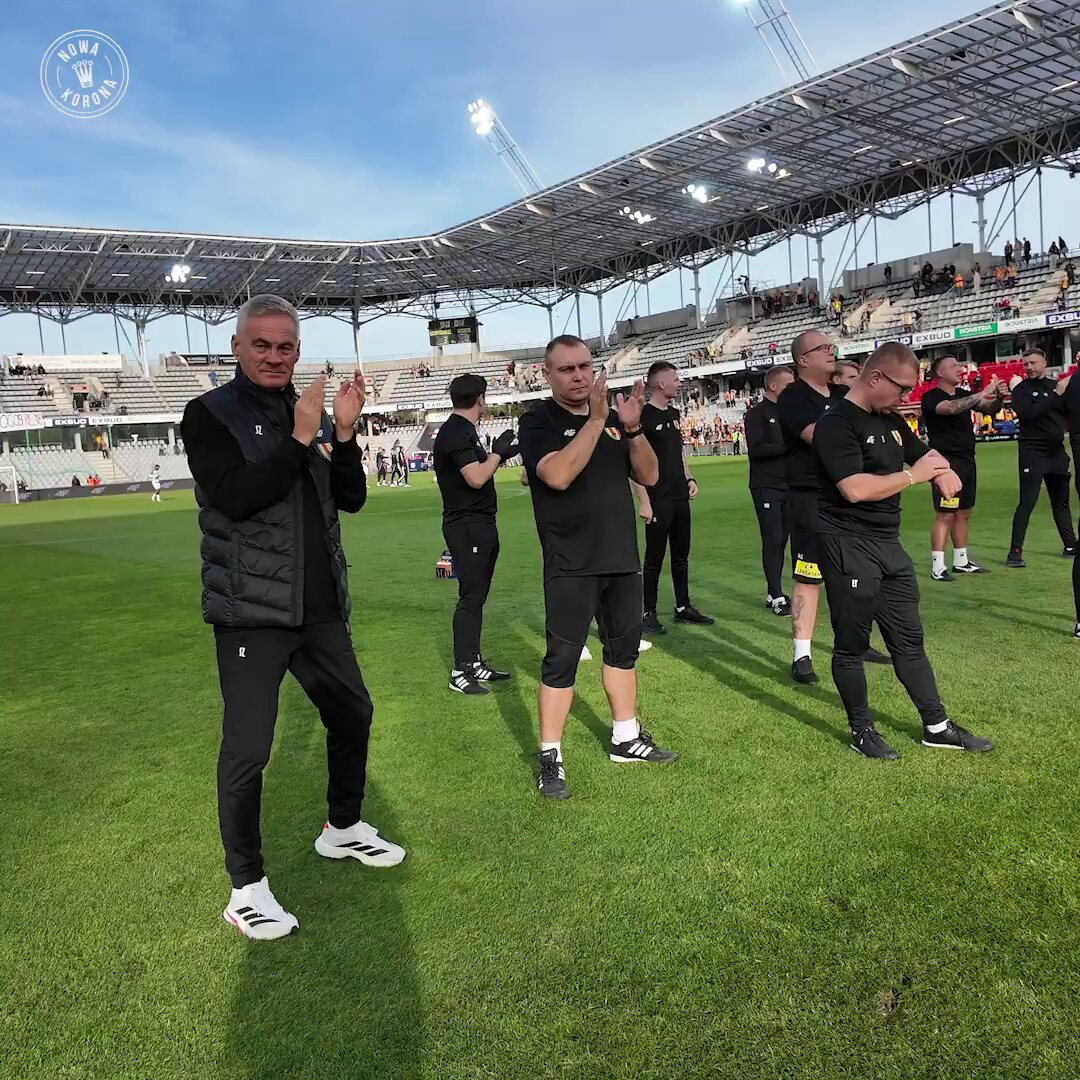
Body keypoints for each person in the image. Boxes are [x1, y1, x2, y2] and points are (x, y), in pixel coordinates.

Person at [181, 294, 403, 941]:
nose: (275, 356)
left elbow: (350, 498)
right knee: (249, 750)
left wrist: (343, 433)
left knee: (353, 713)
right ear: (237, 347)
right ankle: (246, 888)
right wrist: (303, 436)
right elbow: (234, 497)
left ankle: (342, 827)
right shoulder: (209, 413)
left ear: (298, 350)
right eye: (262, 344)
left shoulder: (304, 411)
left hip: (319, 608)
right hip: (251, 613)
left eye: (285, 346)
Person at [813, 341, 994, 759]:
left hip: (887, 544)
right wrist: (916, 477)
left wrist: (941, 471)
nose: (906, 397)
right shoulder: (836, 423)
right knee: (851, 646)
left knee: (909, 640)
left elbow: (924, 453)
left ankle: (936, 726)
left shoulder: (890, 418)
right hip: (848, 544)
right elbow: (854, 488)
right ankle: (862, 731)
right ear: (876, 377)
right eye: (902, 388)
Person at [518, 335, 675, 800]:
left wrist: (632, 429)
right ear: (548, 374)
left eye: (585, 366)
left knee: (622, 652)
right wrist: (596, 421)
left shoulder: (612, 421)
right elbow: (557, 475)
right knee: (562, 660)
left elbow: (649, 475)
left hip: (621, 558)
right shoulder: (538, 421)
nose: (579, 376)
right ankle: (551, 755)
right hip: (571, 562)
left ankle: (626, 737)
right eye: (567, 369)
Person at [778, 332, 890, 684]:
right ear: (802, 360)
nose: (831, 351)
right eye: (822, 348)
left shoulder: (843, 394)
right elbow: (819, 436)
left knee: (854, 574)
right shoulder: (793, 397)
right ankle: (802, 655)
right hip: (811, 498)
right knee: (809, 575)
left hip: (849, 495)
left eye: (831, 346)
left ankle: (856, 641)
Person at [433, 373, 518, 696]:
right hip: (467, 525)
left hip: (479, 523)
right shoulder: (456, 432)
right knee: (470, 597)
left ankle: (474, 660)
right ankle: (461, 670)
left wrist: (499, 454)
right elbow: (476, 478)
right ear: (479, 399)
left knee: (477, 596)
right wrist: (497, 454)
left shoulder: (464, 430)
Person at [632, 362, 713, 636]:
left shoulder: (674, 413)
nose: (679, 383)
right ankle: (648, 612)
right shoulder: (643, 416)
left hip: (679, 495)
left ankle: (683, 606)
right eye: (675, 379)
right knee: (654, 558)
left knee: (681, 555)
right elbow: (633, 462)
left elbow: (679, 452)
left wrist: (689, 478)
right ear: (661, 384)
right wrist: (644, 501)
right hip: (658, 498)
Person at [920, 357, 1004, 580]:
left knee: (963, 512)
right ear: (939, 372)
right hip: (946, 463)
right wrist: (984, 391)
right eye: (954, 366)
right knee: (945, 514)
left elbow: (988, 409)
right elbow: (949, 408)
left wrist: (999, 398)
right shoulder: (931, 397)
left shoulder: (963, 394)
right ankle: (938, 566)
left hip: (967, 460)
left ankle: (961, 561)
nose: (960, 369)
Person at [1006, 348, 1076, 566]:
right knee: (1027, 502)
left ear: (1044, 363)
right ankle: (1015, 553)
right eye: (1026, 364)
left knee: (1061, 502)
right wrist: (1056, 395)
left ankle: (1070, 545)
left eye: (1033, 363)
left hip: (1057, 451)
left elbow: (1069, 413)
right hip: (1032, 451)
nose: (1029, 368)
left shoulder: (1056, 386)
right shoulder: (1021, 390)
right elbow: (1029, 414)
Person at [746, 365, 795, 615]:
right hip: (766, 485)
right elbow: (756, 449)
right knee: (773, 539)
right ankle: (775, 595)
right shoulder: (756, 414)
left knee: (783, 539)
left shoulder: (789, 412)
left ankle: (774, 591)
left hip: (789, 484)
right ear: (773, 386)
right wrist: (787, 447)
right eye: (788, 385)